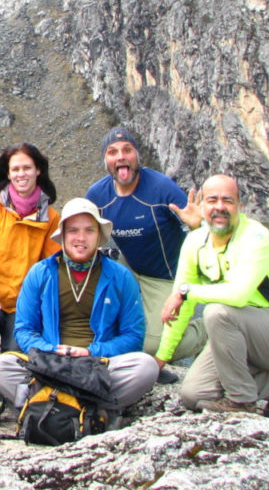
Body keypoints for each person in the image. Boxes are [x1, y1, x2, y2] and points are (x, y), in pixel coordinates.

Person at [0, 198, 159, 413]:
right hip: (50, 364)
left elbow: (133, 336)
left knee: (146, 367)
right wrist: (52, 351)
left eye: (89, 231)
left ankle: (46, 403)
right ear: (63, 235)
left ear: (99, 236)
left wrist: (90, 352)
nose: (81, 238)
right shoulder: (40, 273)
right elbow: (24, 329)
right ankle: (94, 407)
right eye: (73, 231)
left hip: (98, 364)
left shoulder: (121, 276)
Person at [158, 174, 269, 421]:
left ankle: (242, 400)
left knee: (217, 312)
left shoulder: (256, 237)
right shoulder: (195, 242)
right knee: (192, 395)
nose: (219, 207)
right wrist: (161, 358)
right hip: (235, 337)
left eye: (228, 200)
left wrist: (185, 292)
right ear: (203, 206)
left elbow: (237, 295)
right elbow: (181, 309)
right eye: (212, 200)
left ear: (240, 206)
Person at [85, 125, 206, 365]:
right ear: (106, 160)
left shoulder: (160, 188)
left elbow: (199, 234)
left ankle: (209, 330)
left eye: (127, 150)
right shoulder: (98, 195)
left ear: (137, 156)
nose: (120, 156)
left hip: (168, 277)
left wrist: (197, 227)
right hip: (130, 272)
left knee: (153, 347)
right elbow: (84, 233)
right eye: (112, 152)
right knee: (103, 334)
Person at [0, 143, 61, 370]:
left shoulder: (51, 218)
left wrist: (36, 304)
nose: (21, 174)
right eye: (15, 169)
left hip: (24, 302)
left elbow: (52, 266)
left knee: (14, 358)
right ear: (7, 173)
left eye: (27, 168)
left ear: (38, 171)